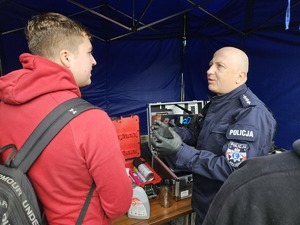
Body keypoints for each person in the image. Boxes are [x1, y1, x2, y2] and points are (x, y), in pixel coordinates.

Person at [0, 12, 132, 224]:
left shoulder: (4, 107)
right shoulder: (91, 120)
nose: (94, 61)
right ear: (66, 57)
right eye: (89, 52)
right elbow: (118, 205)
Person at [151, 46, 277, 225]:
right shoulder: (217, 102)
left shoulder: (249, 114)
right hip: (206, 204)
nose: (209, 71)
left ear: (240, 77)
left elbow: (232, 169)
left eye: (220, 66)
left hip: (228, 213)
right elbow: (199, 134)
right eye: (211, 65)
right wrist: (174, 134)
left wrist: (179, 150)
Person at [203, 138, 300, 225]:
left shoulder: (251, 179)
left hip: (213, 199)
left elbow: (231, 167)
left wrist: (188, 154)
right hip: (203, 197)